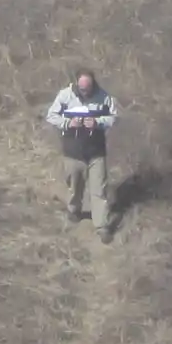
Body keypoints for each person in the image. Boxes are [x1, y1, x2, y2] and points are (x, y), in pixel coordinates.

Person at [44, 70, 119, 233]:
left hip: (96, 151)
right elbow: (51, 116)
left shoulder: (104, 97)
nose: (85, 91)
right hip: (73, 151)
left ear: (93, 84)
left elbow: (114, 117)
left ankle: (102, 226)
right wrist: (68, 123)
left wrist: (98, 122)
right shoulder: (65, 96)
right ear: (77, 84)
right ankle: (74, 210)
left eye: (88, 87)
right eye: (82, 88)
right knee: (75, 188)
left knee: (99, 190)